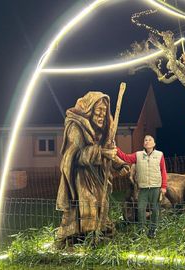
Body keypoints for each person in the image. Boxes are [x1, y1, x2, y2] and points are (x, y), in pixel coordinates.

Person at [55, 91, 127, 247]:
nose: (102, 115)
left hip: (99, 178)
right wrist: (101, 153)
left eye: (104, 111)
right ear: (89, 109)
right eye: (98, 110)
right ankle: (70, 240)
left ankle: (99, 238)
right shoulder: (76, 126)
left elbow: (109, 150)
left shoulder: (104, 129)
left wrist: (119, 164)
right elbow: (76, 155)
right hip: (81, 177)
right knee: (87, 206)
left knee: (102, 207)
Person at [116, 135, 168, 238]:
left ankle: (153, 229)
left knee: (154, 209)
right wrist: (116, 149)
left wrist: (164, 186)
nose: (147, 141)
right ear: (143, 143)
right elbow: (126, 157)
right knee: (141, 208)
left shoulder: (159, 155)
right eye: (145, 140)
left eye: (150, 140)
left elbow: (163, 171)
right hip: (143, 188)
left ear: (154, 144)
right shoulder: (138, 155)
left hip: (155, 187)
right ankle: (141, 229)